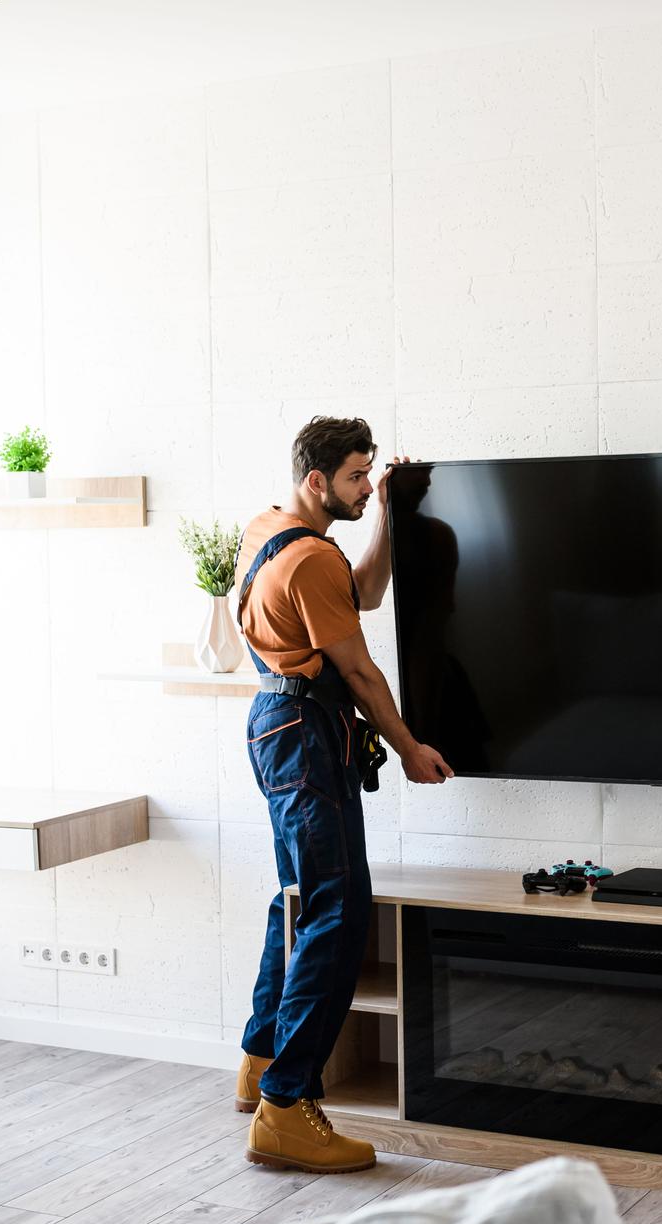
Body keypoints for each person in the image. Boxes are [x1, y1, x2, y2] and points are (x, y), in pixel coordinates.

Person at [234, 415, 453, 1175]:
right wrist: (410, 746)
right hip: (304, 729)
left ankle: (262, 1059)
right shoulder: (308, 564)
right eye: (359, 477)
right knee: (339, 908)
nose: (366, 485)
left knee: (299, 895)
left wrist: (387, 515)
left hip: (276, 722)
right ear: (317, 480)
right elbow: (359, 673)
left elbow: (357, 591)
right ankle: (287, 1108)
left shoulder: (274, 530)